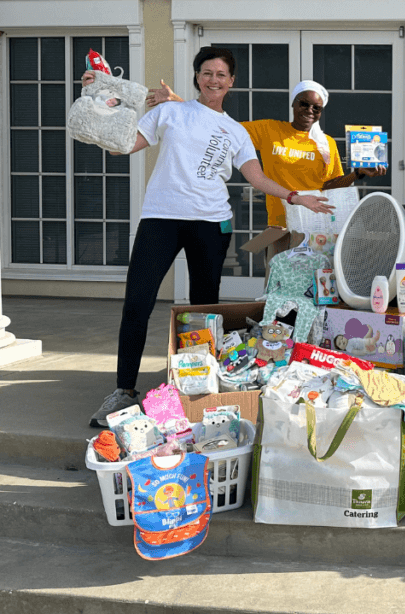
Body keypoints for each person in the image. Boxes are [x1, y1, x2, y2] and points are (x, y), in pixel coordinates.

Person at [85, 47, 331, 427]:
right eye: (206, 72)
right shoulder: (170, 112)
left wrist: (295, 197)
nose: (213, 79)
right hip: (161, 218)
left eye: (221, 74)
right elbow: (124, 145)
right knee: (137, 302)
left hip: (211, 224)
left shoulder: (235, 131)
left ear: (231, 81)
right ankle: (124, 391)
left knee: (202, 310)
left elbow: (257, 177)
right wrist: (96, 97)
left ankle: (195, 387)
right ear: (197, 76)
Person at [145, 79, 387, 228]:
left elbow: (331, 186)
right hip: (280, 224)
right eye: (304, 103)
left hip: (317, 224)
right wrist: (177, 101)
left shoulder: (327, 144)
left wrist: (357, 174)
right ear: (293, 104)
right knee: (278, 289)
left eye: (317, 107)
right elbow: (221, 127)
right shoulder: (269, 130)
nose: (310, 110)